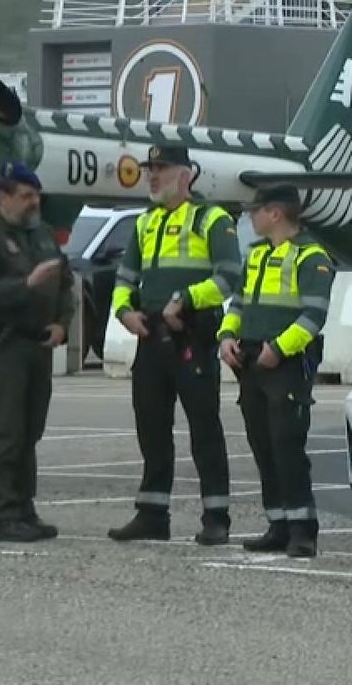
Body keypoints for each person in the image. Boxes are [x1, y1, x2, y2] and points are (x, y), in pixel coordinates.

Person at [107, 145, 241, 545]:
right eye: (151, 169)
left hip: (191, 337)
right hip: (150, 339)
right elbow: (124, 280)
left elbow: (229, 277)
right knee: (151, 428)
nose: (152, 176)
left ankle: (216, 517)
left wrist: (186, 298)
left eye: (161, 169)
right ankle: (152, 514)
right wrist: (124, 313)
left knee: (205, 430)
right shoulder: (144, 224)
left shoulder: (212, 219)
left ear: (186, 175)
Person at [217, 184, 335, 558]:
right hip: (250, 361)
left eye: (256, 211)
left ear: (276, 214)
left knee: (287, 446)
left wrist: (279, 348)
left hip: (285, 364)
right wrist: (226, 336)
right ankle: (278, 524)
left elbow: (314, 316)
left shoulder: (311, 256)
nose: (250, 218)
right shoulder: (256, 256)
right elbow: (238, 303)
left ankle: (303, 530)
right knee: (262, 444)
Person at [0, 160, 75, 542]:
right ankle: (2, 514)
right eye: (26, 196)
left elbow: (65, 283)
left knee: (30, 431)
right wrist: (26, 285)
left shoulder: (41, 234)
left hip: (39, 345)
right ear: (4, 196)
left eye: (36, 196)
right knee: (5, 431)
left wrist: (62, 323)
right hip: (5, 344)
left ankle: (24, 509)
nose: (33, 203)